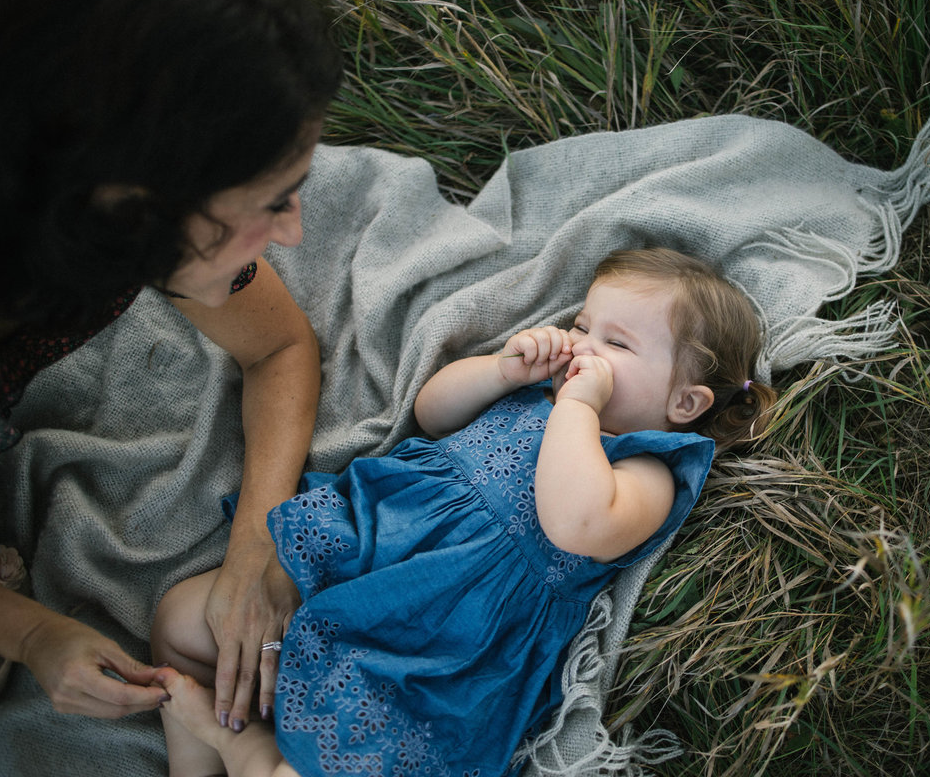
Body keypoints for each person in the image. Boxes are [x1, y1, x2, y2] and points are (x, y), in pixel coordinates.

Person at [150, 247, 779, 776]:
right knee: (182, 621)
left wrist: (579, 410)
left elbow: (577, 523)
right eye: (583, 325)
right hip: (373, 544)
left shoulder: (649, 469)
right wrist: (503, 372)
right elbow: (433, 414)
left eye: (617, 343)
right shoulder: (542, 390)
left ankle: (236, 742)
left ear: (685, 402)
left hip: (438, 645)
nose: (583, 348)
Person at [0, 0, 342, 733]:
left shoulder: (116, 216)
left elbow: (277, 344)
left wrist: (257, 541)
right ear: (132, 205)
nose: (294, 233)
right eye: (273, 200)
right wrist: (31, 631)